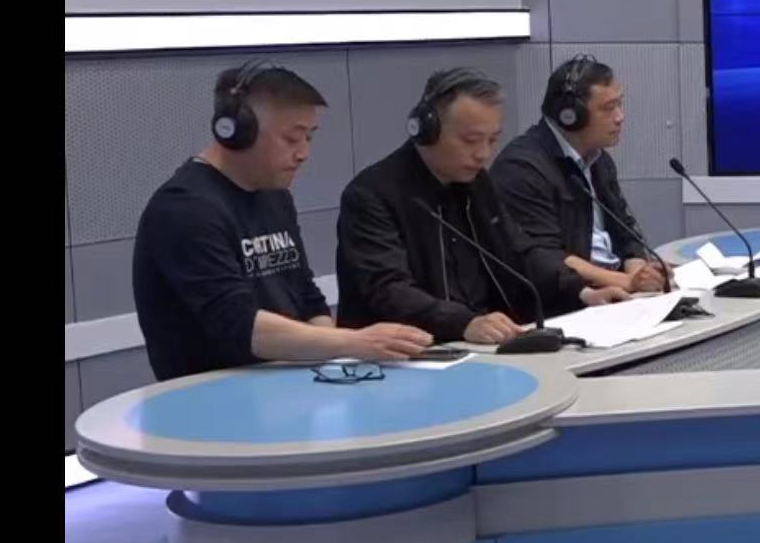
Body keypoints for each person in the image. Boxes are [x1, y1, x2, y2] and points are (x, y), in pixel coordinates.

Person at [131, 62, 432, 381]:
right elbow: (239, 325)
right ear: (237, 132)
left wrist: (337, 363)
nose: (304, 153)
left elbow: (305, 296)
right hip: (212, 395)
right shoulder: (184, 209)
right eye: (292, 139)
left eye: (309, 138)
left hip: (283, 385)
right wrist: (354, 342)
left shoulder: (274, 196)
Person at [336, 68, 627, 346]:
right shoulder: (372, 195)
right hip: (411, 353)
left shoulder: (477, 184)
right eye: (471, 140)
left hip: (486, 344)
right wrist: (464, 323)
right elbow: (389, 290)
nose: (483, 154)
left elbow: (520, 252)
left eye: (492, 140)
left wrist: (582, 292)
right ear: (426, 130)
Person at [493, 54, 669, 296]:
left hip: (616, 291)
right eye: (609, 108)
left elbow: (625, 231)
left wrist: (641, 273)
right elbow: (545, 256)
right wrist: (626, 282)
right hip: (568, 300)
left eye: (620, 104)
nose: (620, 117)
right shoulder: (521, 169)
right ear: (571, 115)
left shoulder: (599, 159)